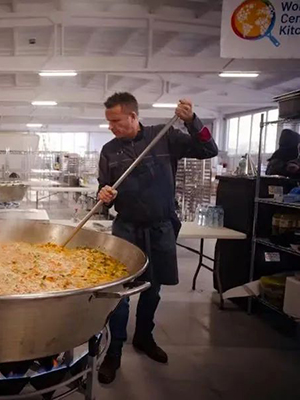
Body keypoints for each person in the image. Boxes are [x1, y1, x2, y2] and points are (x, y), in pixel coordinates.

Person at [96, 92, 218, 384]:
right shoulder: (109, 150)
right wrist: (104, 194)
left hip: (161, 227)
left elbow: (208, 149)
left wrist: (192, 121)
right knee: (120, 293)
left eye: (116, 121)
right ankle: (114, 350)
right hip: (126, 228)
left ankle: (144, 337)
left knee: (153, 289)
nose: (111, 127)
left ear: (133, 116)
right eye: (109, 122)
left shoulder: (164, 137)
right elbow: (103, 190)